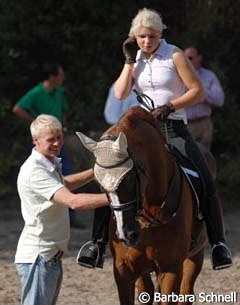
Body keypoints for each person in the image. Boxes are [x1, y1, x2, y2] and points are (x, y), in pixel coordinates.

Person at [77, 8, 232, 271]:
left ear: (160, 35)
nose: (147, 41)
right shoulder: (134, 58)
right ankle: (97, 242)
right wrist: (128, 61)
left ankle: (218, 244)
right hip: (140, 130)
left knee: (204, 177)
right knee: (110, 174)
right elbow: (120, 92)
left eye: (152, 36)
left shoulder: (175, 55)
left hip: (172, 126)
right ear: (134, 37)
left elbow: (197, 91)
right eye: (142, 37)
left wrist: (171, 106)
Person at [15, 114, 109, 305]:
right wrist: (116, 198)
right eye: (51, 139)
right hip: (38, 258)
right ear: (35, 140)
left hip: (49, 258)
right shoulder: (35, 171)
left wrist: (96, 171)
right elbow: (73, 201)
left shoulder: (48, 163)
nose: (57, 143)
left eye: (60, 137)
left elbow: (63, 184)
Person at [12, 62, 77, 226]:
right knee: (45, 174)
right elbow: (17, 108)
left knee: (64, 174)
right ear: (52, 77)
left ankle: (70, 217)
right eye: (60, 74)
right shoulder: (36, 92)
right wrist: (36, 123)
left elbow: (64, 110)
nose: (63, 78)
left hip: (56, 137)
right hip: (44, 139)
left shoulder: (59, 92)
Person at [184, 46, 225, 150]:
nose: (186, 61)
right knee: (186, 159)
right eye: (184, 58)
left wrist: (200, 93)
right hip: (184, 125)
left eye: (190, 58)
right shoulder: (177, 77)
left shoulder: (209, 76)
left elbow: (219, 100)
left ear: (199, 58)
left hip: (203, 124)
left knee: (205, 159)